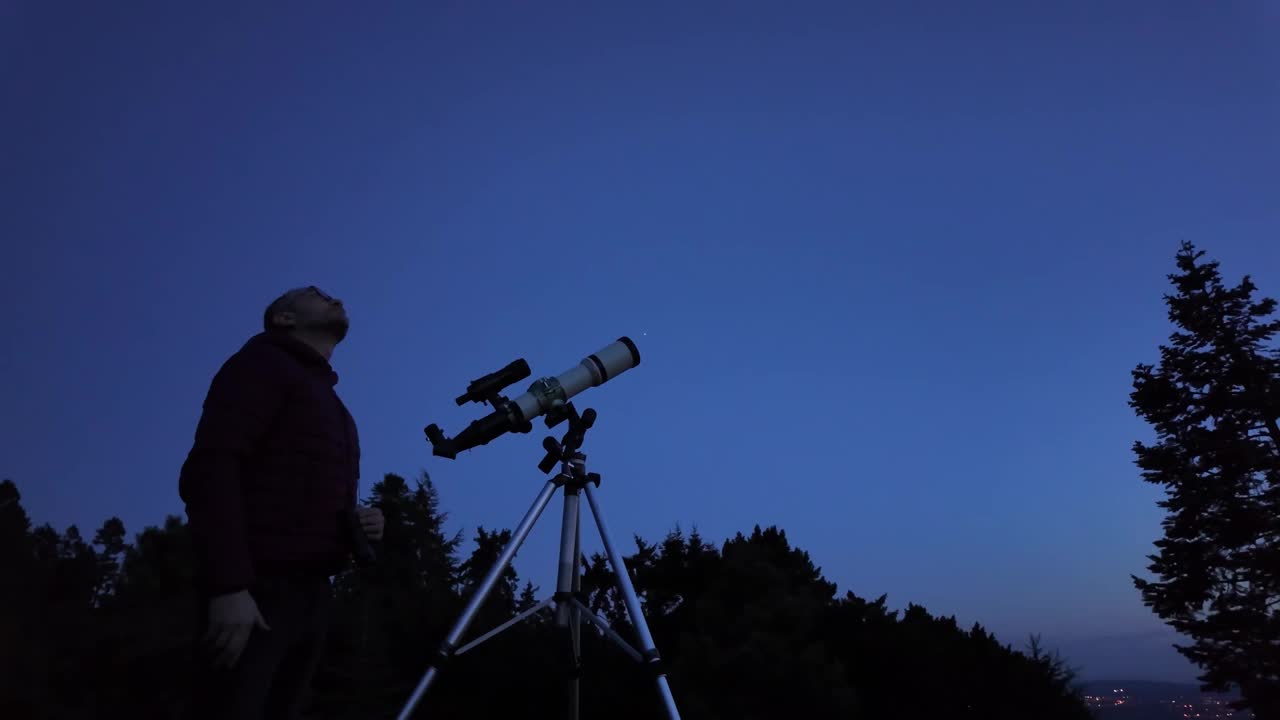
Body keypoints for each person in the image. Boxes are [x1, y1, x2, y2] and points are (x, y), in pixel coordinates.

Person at [178, 285, 384, 720]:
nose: (334, 297)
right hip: (257, 588)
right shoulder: (261, 365)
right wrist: (229, 586)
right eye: (315, 293)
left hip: (309, 596)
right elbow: (212, 469)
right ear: (284, 319)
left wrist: (358, 521)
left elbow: (298, 485)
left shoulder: (326, 398)